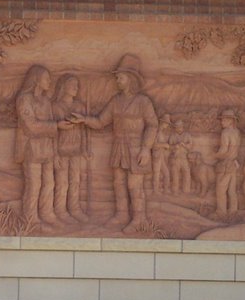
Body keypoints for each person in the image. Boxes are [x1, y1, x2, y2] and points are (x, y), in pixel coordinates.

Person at [70, 54, 158, 234]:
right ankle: (122, 214)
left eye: (120, 77)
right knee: (118, 182)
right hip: (119, 147)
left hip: (136, 147)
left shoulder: (143, 102)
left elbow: (152, 125)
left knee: (134, 184)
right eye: (117, 77)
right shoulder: (115, 101)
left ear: (130, 78)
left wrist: (145, 149)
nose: (117, 80)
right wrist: (84, 120)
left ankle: (139, 219)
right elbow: (101, 121)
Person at [14, 64, 62, 226]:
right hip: (31, 149)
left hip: (47, 149)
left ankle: (47, 214)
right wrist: (56, 126)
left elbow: (52, 129)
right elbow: (30, 126)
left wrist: (55, 153)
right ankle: (31, 219)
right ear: (36, 80)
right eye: (46, 78)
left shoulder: (46, 101)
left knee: (49, 183)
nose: (50, 81)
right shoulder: (24, 99)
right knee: (34, 185)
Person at [52, 73, 90, 223]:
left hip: (76, 149)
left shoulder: (79, 106)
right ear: (63, 87)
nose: (76, 88)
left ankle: (74, 208)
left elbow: (84, 130)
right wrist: (54, 154)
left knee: (75, 180)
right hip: (61, 150)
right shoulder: (55, 106)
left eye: (77, 85)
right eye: (72, 85)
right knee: (62, 182)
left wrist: (85, 148)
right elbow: (52, 133)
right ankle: (60, 210)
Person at [214, 108, 241, 217]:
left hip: (225, 164)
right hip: (234, 163)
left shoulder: (225, 132)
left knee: (220, 189)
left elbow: (224, 150)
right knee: (232, 190)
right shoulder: (237, 132)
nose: (221, 122)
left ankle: (221, 212)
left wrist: (214, 155)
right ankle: (233, 211)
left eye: (223, 120)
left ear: (230, 120)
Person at [169, 119, 192, 195]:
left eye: (180, 127)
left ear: (182, 127)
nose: (178, 129)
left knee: (187, 173)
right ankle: (175, 190)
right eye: (176, 127)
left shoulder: (187, 135)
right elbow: (169, 147)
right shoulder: (172, 136)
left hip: (184, 157)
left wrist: (184, 145)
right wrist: (175, 146)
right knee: (175, 174)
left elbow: (191, 146)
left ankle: (186, 190)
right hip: (175, 157)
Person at [151, 114, 173, 194]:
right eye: (167, 124)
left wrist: (166, 146)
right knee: (156, 173)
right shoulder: (156, 132)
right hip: (156, 156)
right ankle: (155, 190)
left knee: (166, 173)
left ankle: (166, 189)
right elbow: (152, 145)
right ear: (163, 123)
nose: (167, 125)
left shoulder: (161, 132)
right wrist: (164, 145)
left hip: (161, 156)